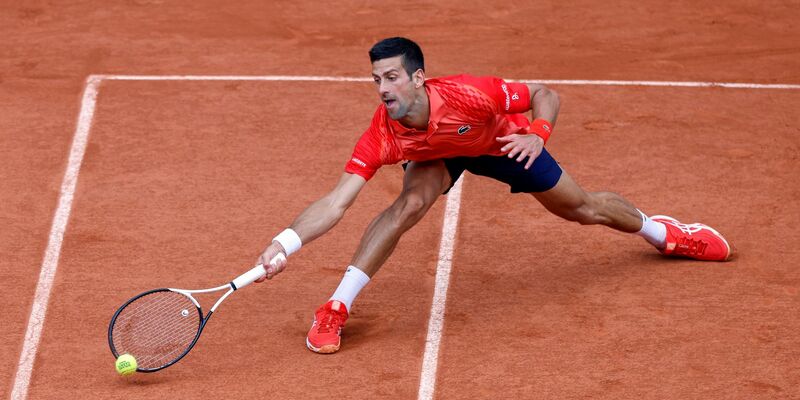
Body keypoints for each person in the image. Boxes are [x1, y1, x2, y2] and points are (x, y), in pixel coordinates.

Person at [255, 37, 733, 354]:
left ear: (418, 77)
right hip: (435, 154)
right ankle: (336, 306)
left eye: (392, 77)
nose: (382, 88)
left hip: (502, 142)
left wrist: (538, 134)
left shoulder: (471, 93)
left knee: (582, 209)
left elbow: (545, 92)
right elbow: (336, 202)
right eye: (377, 79)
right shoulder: (383, 134)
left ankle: (664, 232)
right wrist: (285, 242)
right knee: (408, 205)